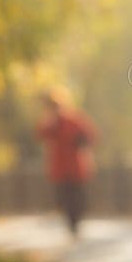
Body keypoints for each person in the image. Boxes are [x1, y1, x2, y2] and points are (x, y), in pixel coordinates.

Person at [36, 89, 97, 237]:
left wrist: (81, 141)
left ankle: (76, 222)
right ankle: (72, 224)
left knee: (78, 197)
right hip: (60, 168)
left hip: (76, 166)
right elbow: (41, 134)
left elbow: (91, 135)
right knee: (65, 197)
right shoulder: (50, 122)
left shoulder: (74, 119)